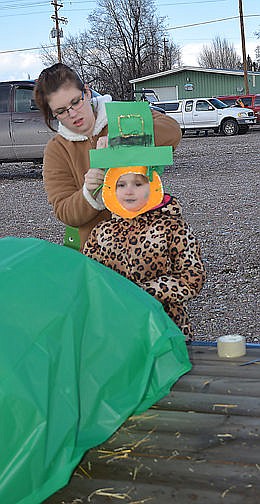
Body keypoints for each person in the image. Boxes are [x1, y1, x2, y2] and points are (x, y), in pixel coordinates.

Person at [34, 63, 182, 251]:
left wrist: (118, 143)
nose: (73, 113)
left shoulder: (123, 115)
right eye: (61, 111)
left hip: (148, 244)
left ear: (86, 93)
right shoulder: (57, 150)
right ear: (53, 114)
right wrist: (89, 192)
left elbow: (172, 132)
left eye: (76, 102)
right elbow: (64, 211)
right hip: (98, 254)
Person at [83, 165, 206, 342]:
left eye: (138, 184)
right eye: (121, 185)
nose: (129, 191)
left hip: (166, 326)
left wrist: (143, 292)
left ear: (153, 186)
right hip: (118, 330)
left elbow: (193, 278)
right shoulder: (102, 231)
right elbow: (89, 279)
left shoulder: (173, 227)